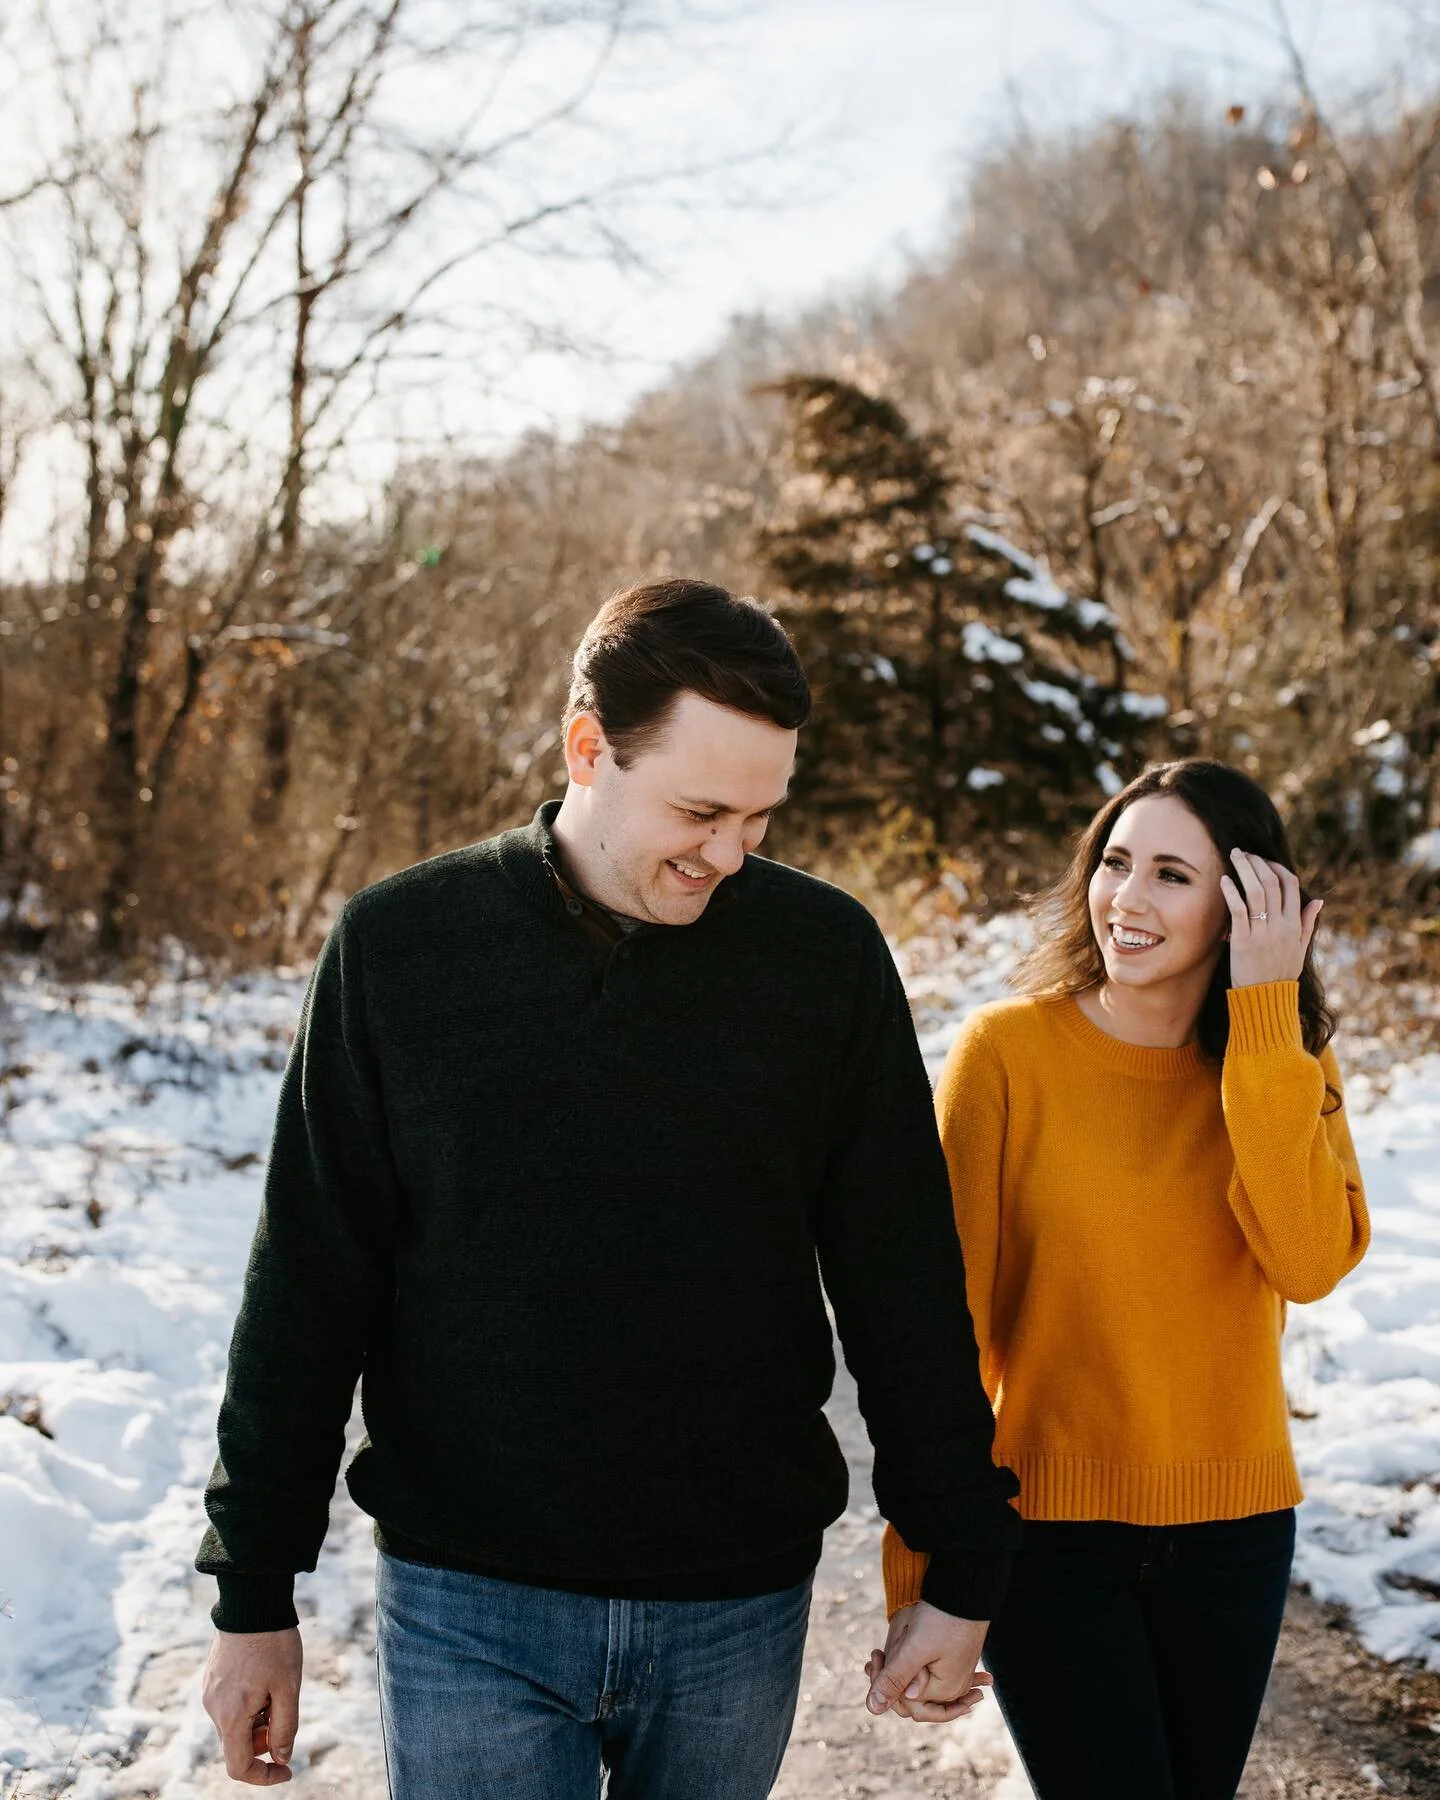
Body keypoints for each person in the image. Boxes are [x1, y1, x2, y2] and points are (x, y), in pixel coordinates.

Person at [196, 577, 1020, 1797]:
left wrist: (961, 1566)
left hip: (735, 1600)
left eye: (760, 819)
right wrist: (251, 1593)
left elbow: (901, 1278)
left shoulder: (825, 960)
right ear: (589, 748)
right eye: (700, 810)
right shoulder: (402, 950)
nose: (730, 855)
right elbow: (310, 1284)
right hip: (469, 1595)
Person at [873, 758, 1370, 1800]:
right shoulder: (1007, 1055)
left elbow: (1311, 1263)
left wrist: (1270, 1020)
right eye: (1114, 862)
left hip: (1237, 1538)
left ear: (1245, 907)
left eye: (1172, 876)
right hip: (1049, 1540)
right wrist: (925, 1582)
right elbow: (939, 1338)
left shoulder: (1286, 1062)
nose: (1126, 900)